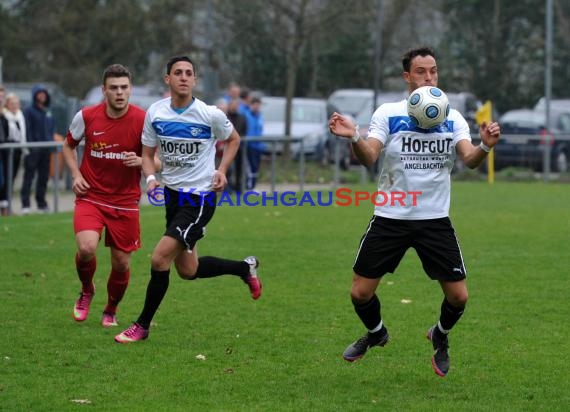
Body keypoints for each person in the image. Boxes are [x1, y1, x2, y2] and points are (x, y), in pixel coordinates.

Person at [328, 46, 501, 377]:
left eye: (433, 70)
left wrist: (485, 146)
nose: (429, 77)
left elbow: (468, 160)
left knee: (459, 297)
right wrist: (353, 137)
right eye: (421, 71)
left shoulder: (452, 116)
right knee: (360, 292)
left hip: (433, 220)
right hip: (390, 217)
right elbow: (370, 155)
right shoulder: (389, 113)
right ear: (407, 76)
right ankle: (377, 333)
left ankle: (440, 334)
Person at [114, 56, 262, 344]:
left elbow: (234, 140)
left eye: (189, 73)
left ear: (195, 80)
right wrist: (152, 179)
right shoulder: (156, 113)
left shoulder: (209, 114)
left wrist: (221, 170)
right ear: (167, 79)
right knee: (188, 270)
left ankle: (142, 325)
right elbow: (147, 154)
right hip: (172, 196)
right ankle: (245, 268)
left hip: (200, 199)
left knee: (159, 259)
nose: (183, 77)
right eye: (177, 73)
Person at [62, 64, 147, 327]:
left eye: (124, 88)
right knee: (86, 248)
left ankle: (111, 309)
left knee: (121, 264)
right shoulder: (86, 116)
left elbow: (159, 159)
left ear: (130, 89)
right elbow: (68, 146)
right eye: (114, 88)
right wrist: (76, 175)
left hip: (125, 201)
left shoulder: (144, 120)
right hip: (92, 196)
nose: (119, 93)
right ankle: (87, 290)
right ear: (104, 90)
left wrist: (143, 160)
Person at [21, 84, 55, 214]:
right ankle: (25, 205)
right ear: (35, 95)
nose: (42, 95)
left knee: (43, 178)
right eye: (40, 93)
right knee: (28, 177)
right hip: (33, 150)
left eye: (44, 93)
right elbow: (27, 130)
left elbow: (51, 129)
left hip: (46, 151)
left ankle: (41, 204)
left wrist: (51, 143)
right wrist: (30, 146)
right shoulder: (28, 111)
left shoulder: (48, 111)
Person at [1, 93, 27, 216]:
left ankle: (8, 205)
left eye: (16, 103)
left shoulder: (20, 116)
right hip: (7, 152)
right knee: (5, 179)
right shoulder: (5, 116)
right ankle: (4, 206)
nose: (15, 106)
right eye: (12, 103)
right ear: (7, 104)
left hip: (17, 151)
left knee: (12, 178)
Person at [243, 95, 264, 190]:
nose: (257, 107)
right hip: (249, 144)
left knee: (256, 167)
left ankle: (253, 186)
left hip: (258, 145)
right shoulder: (246, 115)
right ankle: (249, 186)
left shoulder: (260, 116)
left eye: (258, 105)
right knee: (250, 166)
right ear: (251, 105)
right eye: (255, 105)